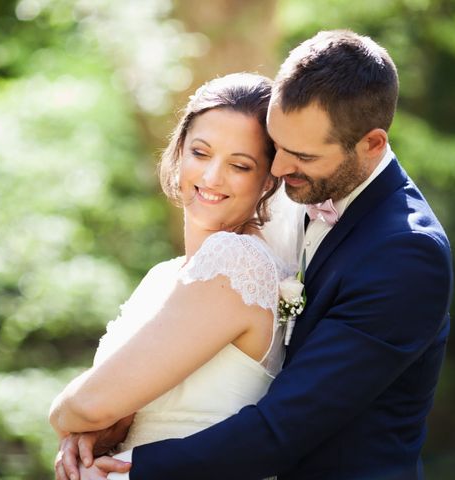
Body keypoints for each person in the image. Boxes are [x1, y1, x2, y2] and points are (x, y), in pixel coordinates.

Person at [56, 29, 454, 480]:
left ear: (372, 144)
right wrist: (107, 423)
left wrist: (127, 473)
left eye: (299, 155)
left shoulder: (406, 253)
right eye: (276, 145)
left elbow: (285, 426)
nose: (279, 170)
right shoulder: (299, 198)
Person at [48, 73, 296, 479]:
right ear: (179, 151)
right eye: (200, 153)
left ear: (267, 180)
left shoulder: (237, 263)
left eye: (239, 165)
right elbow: (109, 409)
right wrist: (103, 429)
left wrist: (65, 414)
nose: (212, 177)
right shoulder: (164, 275)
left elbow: (86, 406)